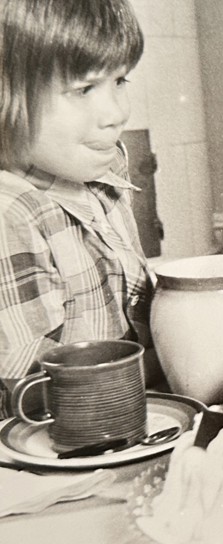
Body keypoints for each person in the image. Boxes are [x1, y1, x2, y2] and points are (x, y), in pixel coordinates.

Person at [0, 0, 160, 418]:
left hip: (121, 425)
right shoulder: (10, 212)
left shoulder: (103, 177)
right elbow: (28, 388)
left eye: (120, 80)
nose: (117, 114)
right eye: (84, 88)